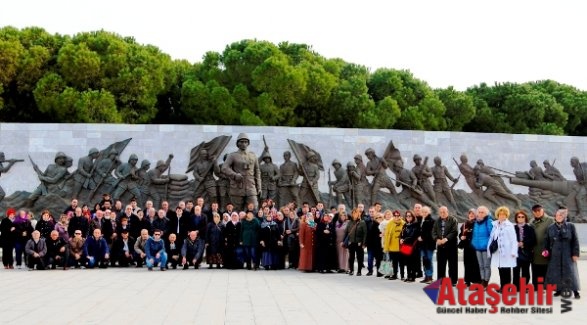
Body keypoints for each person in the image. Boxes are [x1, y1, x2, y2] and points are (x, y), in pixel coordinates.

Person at [544, 209, 581, 299]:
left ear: (564, 216)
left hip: (568, 254)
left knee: (570, 272)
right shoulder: (551, 227)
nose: (558, 217)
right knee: (556, 273)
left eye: (561, 215)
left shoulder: (571, 226)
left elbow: (575, 240)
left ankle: (575, 291)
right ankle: (558, 290)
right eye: (557, 215)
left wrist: (575, 253)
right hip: (555, 254)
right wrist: (545, 251)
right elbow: (547, 241)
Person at [221, 133, 262, 211]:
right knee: (237, 211)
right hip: (237, 187)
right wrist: (234, 175)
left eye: (246, 142)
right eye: (241, 142)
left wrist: (259, 187)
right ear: (238, 143)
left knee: (254, 209)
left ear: (248, 143)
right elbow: (224, 168)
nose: (244, 144)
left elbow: (257, 172)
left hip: (251, 187)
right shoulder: (232, 155)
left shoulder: (253, 155)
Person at [489, 206, 517, 289]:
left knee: (506, 270)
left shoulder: (509, 226)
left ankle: (507, 287)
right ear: (498, 215)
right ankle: (502, 286)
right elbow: (492, 237)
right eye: (500, 214)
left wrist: (513, 251)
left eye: (504, 214)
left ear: (506, 215)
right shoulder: (495, 225)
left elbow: (513, 240)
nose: (502, 216)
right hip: (498, 251)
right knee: (500, 269)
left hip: (506, 251)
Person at [432, 206, 458, 285]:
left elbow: (454, 231)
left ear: (447, 212)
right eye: (441, 212)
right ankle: (441, 280)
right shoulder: (437, 221)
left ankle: (453, 281)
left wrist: (446, 239)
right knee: (441, 264)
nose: (442, 214)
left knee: (452, 264)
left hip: (451, 245)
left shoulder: (453, 220)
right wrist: (437, 239)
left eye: (444, 212)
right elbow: (433, 231)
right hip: (440, 246)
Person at [530, 204, 554, 289]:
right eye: (535, 211)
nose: (537, 213)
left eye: (539, 210)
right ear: (533, 212)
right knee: (536, 268)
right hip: (535, 250)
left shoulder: (550, 220)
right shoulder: (531, 221)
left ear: (543, 210)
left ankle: (546, 286)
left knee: (545, 268)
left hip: (546, 250)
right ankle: (536, 286)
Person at [513, 210, 536, 290]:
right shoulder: (513, 228)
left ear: (525, 218)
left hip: (526, 252)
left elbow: (533, 240)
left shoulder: (529, 228)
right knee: (516, 270)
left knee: (525, 271)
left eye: (522, 217)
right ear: (516, 218)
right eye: (519, 217)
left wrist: (523, 243)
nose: (520, 218)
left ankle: (524, 286)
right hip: (515, 252)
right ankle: (516, 286)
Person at [472, 206, 493, 287]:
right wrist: (474, 243)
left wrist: (488, 245)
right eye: (479, 212)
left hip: (486, 248)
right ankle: (482, 280)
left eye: (482, 212)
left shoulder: (489, 221)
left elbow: (492, 234)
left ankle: (486, 282)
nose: (480, 214)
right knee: (480, 266)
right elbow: (474, 234)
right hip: (477, 247)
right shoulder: (476, 222)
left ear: (486, 213)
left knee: (486, 266)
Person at [459, 209, 481, 286]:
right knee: (467, 264)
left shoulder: (478, 224)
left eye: (473, 213)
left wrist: (468, 235)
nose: (471, 215)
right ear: (468, 215)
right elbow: (460, 234)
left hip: (475, 247)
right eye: (470, 213)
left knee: (475, 264)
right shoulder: (465, 224)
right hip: (467, 247)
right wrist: (461, 237)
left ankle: (476, 281)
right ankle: (467, 281)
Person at [345, 208, 367, 276]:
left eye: (356, 213)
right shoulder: (349, 222)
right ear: (352, 214)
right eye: (353, 213)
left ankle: (359, 271)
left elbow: (365, 234)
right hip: (351, 242)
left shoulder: (362, 222)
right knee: (351, 257)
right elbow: (346, 232)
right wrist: (348, 241)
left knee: (359, 257)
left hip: (359, 242)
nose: (355, 214)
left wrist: (363, 243)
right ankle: (351, 270)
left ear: (359, 214)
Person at [384, 210, 405, 280]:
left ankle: (402, 275)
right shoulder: (390, 223)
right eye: (395, 216)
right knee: (394, 262)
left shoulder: (403, 223)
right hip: (392, 246)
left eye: (398, 215)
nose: (396, 217)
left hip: (401, 246)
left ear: (400, 216)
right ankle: (394, 274)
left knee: (402, 262)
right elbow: (387, 235)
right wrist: (386, 247)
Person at [400, 210, 420, 282]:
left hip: (412, 246)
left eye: (409, 216)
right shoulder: (405, 225)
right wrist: (401, 239)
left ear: (412, 217)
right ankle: (408, 276)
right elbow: (402, 234)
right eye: (407, 216)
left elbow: (413, 236)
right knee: (407, 262)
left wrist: (404, 240)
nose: (408, 217)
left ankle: (413, 277)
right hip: (405, 246)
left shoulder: (415, 225)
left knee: (412, 262)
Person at [418, 206, 435, 284]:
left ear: (429, 212)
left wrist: (423, 237)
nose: (424, 213)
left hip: (429, 244)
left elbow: (432, 233)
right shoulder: (421, 220)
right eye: (423, 212)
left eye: (426, 212)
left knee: (429, 260)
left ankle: (430, 277)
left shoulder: (432, 221)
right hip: (422, 245)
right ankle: (426, 276)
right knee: (424, 260)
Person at [366, 210, 384, 277]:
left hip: (383, 244)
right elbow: (370, 235)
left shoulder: (384, 224)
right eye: (377, 217)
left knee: (383, 258)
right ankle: (379, 272)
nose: (379, 218)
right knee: (378, 259)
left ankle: (383, 271)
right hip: (376, 244)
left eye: (380, 217)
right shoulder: (374, 225)